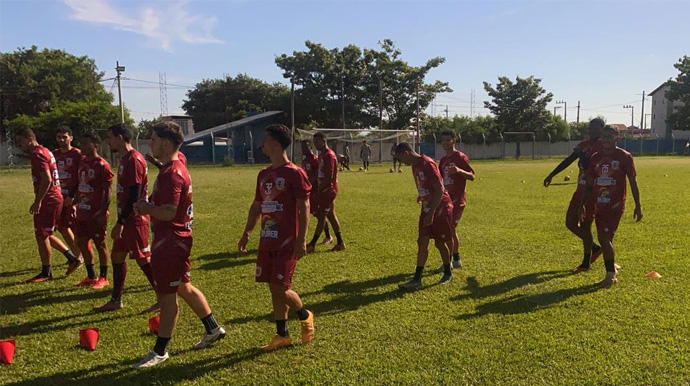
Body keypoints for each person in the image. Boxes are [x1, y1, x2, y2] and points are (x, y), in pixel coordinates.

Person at [132, 121, 225, 368]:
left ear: (166, 142)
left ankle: (160, 351)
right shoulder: (174, 167)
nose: (149, 143)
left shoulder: (173, 173)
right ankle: (213, 328)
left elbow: (170, 211)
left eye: (153, 139)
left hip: (170, 242)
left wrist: (146, 208)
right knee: (184, 287)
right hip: (177, 240)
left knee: (167, 297)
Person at [238, 124, 315, 352]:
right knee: (273, 288)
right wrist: (246, 233)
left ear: (277, 144)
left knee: (280, 287)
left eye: (266, 139)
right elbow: (257, 205)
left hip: (287, 241)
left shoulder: (294, 173)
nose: (261, 143)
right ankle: (282, 335)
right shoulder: (263, 174)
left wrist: (302, 239)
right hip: (266, 239)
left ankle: (305, 314)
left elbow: (304, 206)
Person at [93, 123, 157, 313]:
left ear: (120, 137)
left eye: (110, 137)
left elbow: (134, 194)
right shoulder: (125, 159)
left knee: (143, 259)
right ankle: (116, 300)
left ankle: (165, 298)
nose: (108, 141)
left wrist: (120, 222)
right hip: (126, 216)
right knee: (117, 256)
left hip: (134, 218)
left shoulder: (134, 160)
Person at [15, 128, 81, 283]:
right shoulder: (45, 150)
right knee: (46, 233)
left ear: (30, 139)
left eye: (20, 141)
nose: (18, 145)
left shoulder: (38, 154)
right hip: (54, 197)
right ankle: (71, 258)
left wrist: (38, 201)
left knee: (41, 234)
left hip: (49, 199)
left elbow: (47, 179)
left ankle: (46, 272)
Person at [580, 125, 642, 287]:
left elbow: (632, 181)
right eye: (604, 136)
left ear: (617, 137)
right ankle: (612, 264)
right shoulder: (595, 157)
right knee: (607, 237)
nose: (606, 139)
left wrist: (638, 205)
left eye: (610, 136)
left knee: (603, 237)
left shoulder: (624, 157)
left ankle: (610, 276)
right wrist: (582, 205)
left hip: (614, 205)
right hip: (598, 204)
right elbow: (589, 184)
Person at [543, 118, 605, 273]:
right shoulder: (584, 144)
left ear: (601, 130)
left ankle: (585, 263)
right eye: (590, 128)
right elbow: (570, 159)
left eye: (594, 128)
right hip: (580, 189)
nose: (591, 131)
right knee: (570, 222)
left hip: (592, 191)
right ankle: (595, 248)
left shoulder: (603, 146)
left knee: (585, 225)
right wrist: (552, 174)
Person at [395, 143, 454, 290]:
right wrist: (422, 195)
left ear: (407, 152)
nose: (402, 163)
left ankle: (448, 272)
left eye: (401, 158)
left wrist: (432, 213)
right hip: (428, 206)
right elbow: (428, 186)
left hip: (440, 207)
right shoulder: (415, 166)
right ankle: (416, 279)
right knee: (422, 242)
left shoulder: (427, 163)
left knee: (440, 243)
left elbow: (440, 190)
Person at [72, 133, 114, 289]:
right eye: (81, 142)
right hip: (82, 210)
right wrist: (74, 203)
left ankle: (103, 277)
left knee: (100, 243)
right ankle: (91, 276)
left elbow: (108, 190)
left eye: (85, 143)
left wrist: (103, 211)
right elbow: (80, 185)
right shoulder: (82, 162)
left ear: (95, 145)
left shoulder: (102, 165)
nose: (81, 146)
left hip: (96, 212)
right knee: (81, 242)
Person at [433, 131, 474, 273]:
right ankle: (456, 259)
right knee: (451, 229)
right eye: (443, 140)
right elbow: (439, 180)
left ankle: (449, 261)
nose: (445, 143)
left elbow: (472, 176)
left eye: (448, 140)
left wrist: (458, 170)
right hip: (446, 199)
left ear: (454, 141)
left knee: (449, 229)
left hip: (457, 200)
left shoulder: (460, 157)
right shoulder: (443, 160)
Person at [307, 132, 346, 252]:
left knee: (322, 216)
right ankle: (340, 243)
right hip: (324, 189)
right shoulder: (322, 155)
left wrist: (319, 190)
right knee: (331, 215)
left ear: (324, 141)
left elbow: (329, 177)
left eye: (317, 142)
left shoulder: (329, 155)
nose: (316, 145)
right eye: (314, 143)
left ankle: (312, 244)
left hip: (328, 190)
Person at [53, 126, 84, 274]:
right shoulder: (54, 154)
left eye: (64, 137)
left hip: (73, 197)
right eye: (59, 137)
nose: (62, 139)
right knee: (62, 227)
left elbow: (82, 176)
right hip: (59, 196)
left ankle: (79, 256)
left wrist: (74, 198)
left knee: (72, 228)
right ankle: (77, 255)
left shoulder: (77, 154)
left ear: (71, 137)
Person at [301, 140, 333, 245]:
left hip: (315, 191)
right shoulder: (304, 161)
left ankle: (328, 236)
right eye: (302, 147)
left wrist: (308, 180)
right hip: (307, 192)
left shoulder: (315, 159)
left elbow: (318, 175)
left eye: (305, 147)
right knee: (303, 214)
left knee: (320, 215)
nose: (303, 149)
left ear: (310, 147)